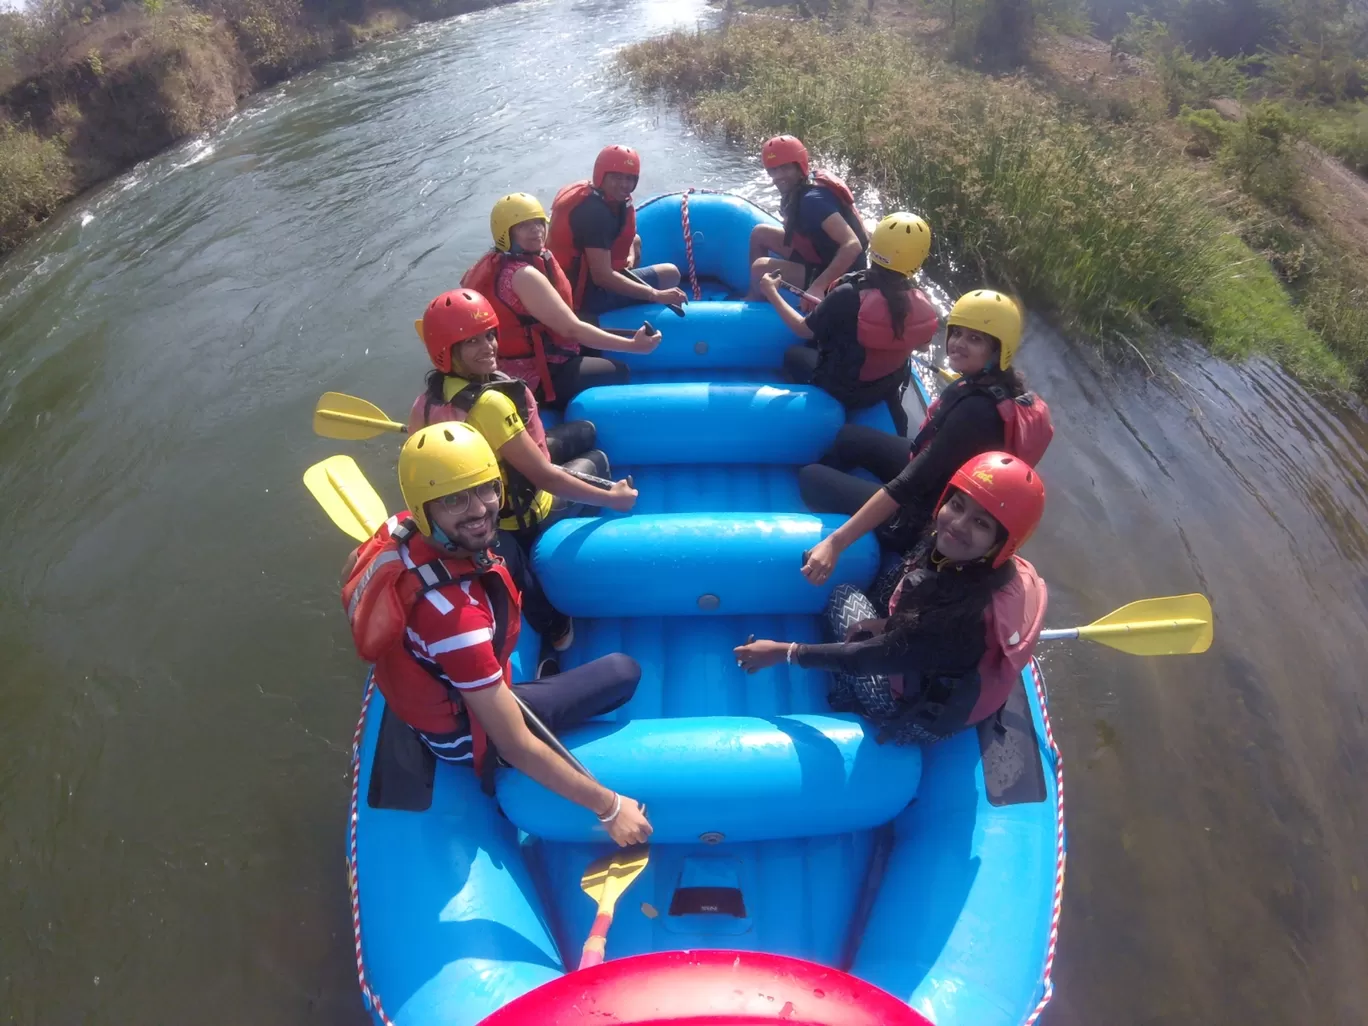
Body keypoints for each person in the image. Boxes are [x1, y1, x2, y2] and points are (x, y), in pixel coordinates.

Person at [341, 421, 652, 847]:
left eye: (485, 488)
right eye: (454, 499)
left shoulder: (399, 529)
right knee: (623, 672)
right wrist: (610, 807)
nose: (478, 509)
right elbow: (515, 744)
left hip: (446, 684)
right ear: (425, 507)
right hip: (465, 735)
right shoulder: (457, 623)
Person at [734, 452, 1047, 745]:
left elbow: (863, 657)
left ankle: (852, 702)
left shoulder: (961, 619)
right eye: (958, 504)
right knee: (884, 594)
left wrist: (783, 652)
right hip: (940, 665)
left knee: (845, 598)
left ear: (1001, 543)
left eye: (981, 523)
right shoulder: (995, 569)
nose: (957, 524)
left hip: (918, 718)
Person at [409, 287, 641, 661]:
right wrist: (612, 497)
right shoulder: (490, 405)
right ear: (446, 351)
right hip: (523, 515)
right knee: (596, 458)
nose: (488, 347)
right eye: (472, 341)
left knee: (583, 430)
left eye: (489, 334)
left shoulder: (425, 404)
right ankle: (559, 628)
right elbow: (546, 477)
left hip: (489, 491)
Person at [798, 289, 1054, 581]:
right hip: (941, 477)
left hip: (927, 516)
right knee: (847, 437)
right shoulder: (1000, 385)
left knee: (810, 478)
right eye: (957, 333)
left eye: (975, 339)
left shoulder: (975, 413)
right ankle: (849, 487)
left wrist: (835, 542)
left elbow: (906, 485)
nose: (957, 344)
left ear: (997, 351)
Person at [462, 192, 662, 408]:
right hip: (533, 379)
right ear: (506, 233)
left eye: (538, 223)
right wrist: (634, 346)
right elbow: (571, 330)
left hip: (516, 361)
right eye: (523, 226)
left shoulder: (490, 263)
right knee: (619, 372)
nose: (536, 230)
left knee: (596, 344)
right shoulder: (523, 275)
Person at [756, 211, 939, 436]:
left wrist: (771, 291)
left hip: (839, 389)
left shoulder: (848, 293)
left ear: (877, 245)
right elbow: (922, 346)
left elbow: (802, 329)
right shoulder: (921, 303)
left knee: (793, 354)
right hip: (881, 389)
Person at [548, 144, 688, 316]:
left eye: (629, 178)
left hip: (589, 279)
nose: (624, 185)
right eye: (616, 177)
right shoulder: (594, 214)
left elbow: (625, 239)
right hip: (583, 297)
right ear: (601, 175)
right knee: (670, 274)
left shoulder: (598, 196)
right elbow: (602, 277)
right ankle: (624, 314)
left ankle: (629, 296)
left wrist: (627, 258)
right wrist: (655, 295)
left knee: (635, 241)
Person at [747, 135, 869, 309]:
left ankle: (758, 309)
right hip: (818, 253)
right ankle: (755, 297)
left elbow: (853, 245)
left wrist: (818, 286)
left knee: (760, 267)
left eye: (785, 168)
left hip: (842, 272)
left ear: (799, 166)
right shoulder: (802, 186)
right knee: (760, 233)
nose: (778, 176)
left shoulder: (813, 201)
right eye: (773, 170)